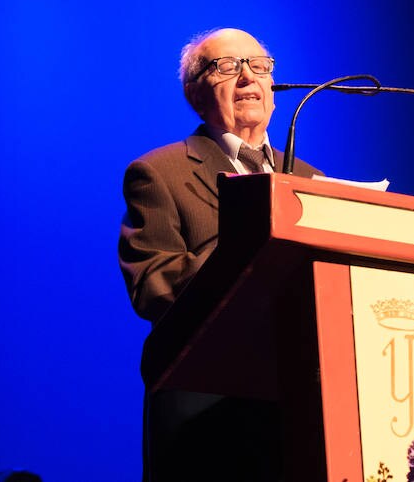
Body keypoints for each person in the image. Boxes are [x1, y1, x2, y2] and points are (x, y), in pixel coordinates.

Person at [117, 27, 324, 482]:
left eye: (260, 66)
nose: (248, 77)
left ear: (274, 89)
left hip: (301, 403)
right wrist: (245, 242)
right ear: (195, 91)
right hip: (205, 407)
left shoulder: (312, 182)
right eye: (227, 66)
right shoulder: (159, 172)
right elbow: (152, 283)